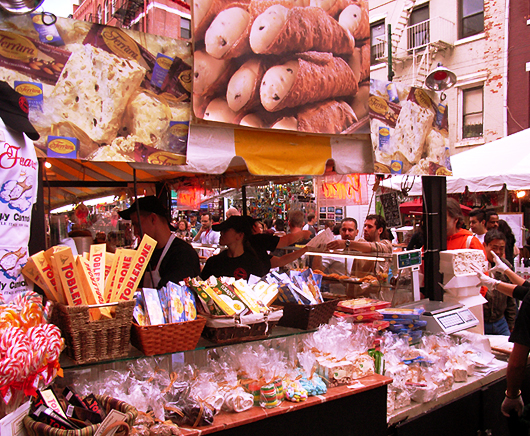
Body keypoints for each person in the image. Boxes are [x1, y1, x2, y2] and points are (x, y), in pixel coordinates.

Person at [118, 196, 200, 288]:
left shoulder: (184, 255)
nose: (135, 232)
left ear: (153, 219)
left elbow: (172, 295)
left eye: (137, 225)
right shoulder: (141, 252)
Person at [327, 214, 392, 298]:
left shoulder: (386, 245)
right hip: (356, 296)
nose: (365, 229)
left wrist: (347, 243)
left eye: (370, 227)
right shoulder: (359, 243)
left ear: (379, 230)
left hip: (377, 297)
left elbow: (372, 247)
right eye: (365, 226)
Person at [200, 216, 269, 280]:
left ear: (240, 235)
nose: (221, 233)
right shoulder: (213, 263)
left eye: (225, 230)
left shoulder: (254, 264)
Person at [482, 229, 517, 335]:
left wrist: (511, 322)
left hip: (501, 322)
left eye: (501, 248)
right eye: (494, 248)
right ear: (485, 245)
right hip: (482, 321)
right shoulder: (478, 264)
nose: (497, 252)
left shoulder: (506, 267)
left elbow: (511, 297)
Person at [312, 218, 359, 294]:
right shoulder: (333, 250)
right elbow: (317, 271)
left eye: (350, 230)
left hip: (359, 297)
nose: (347, 233)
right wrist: (319, 251)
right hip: (338, 296)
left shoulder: (361, 249)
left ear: (356, 232)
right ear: (340, 231)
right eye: (344, 230)